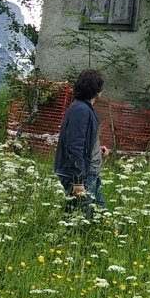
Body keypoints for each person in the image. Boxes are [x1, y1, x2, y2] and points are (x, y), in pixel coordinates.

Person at [54, 70, 109, 214]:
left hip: (91, 172)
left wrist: (97, 147)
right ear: (96, 90)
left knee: (100, 215)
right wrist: (78, 181)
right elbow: (74, 145)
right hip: (83, 174)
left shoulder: (84, 108)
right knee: (82, 219)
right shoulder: (81, 110)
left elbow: (84, 140)